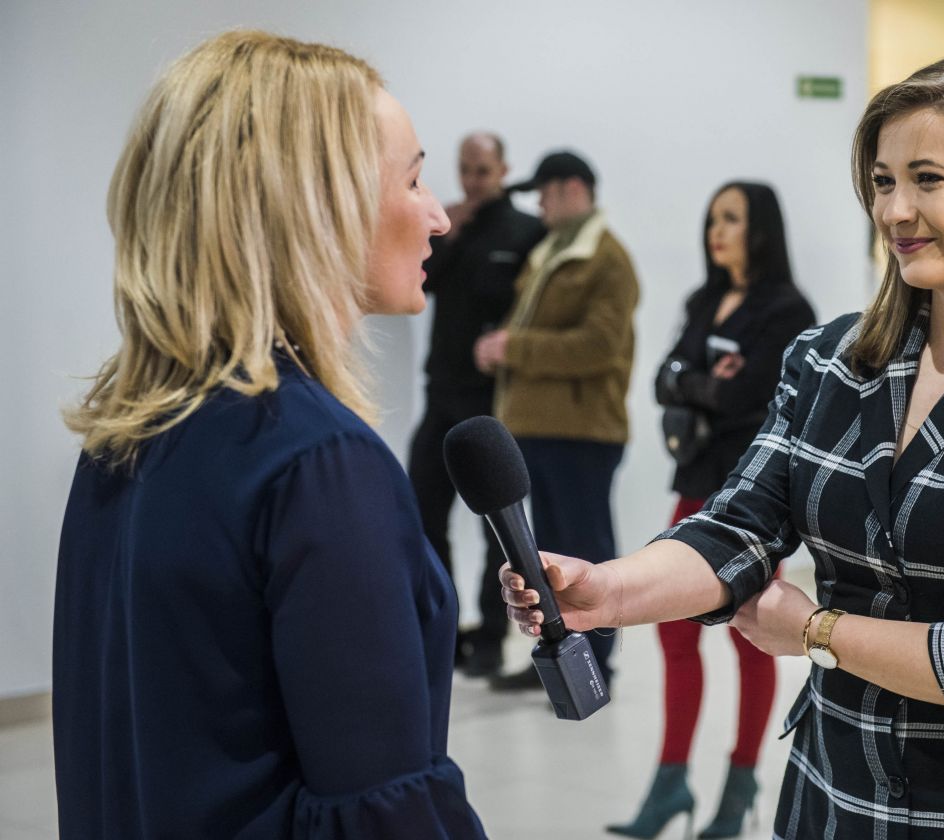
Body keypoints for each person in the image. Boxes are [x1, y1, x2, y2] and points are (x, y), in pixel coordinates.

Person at [503, 49, 944, 838]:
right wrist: (607, 592)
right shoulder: (829, 361)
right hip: (835, 792)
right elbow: (737, 527)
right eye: (882, 181)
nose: (895, 210)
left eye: (927, 179)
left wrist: (820, 634)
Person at [53, 31, 484, 839]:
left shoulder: (128, 431)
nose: (437, 216)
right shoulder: (320, 463)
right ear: (315, 204)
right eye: (413, 179)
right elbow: (381, 814)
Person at [607, 182, 814, 839]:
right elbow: (663, 379)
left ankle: (741, 782)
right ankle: (670, 782)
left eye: (731, 219)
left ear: (761, 230)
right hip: (695, 482)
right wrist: (701, 382)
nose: (715, 231)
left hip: (754, 497)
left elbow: (748, 395)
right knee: (674, 634)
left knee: (751, 635)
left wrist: (696, 383)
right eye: (712, 219)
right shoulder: (703, 300)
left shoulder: (787, 310)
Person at [474, 149, 639, 691]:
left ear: (572, 189)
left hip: (582, 434)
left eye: (545, 193)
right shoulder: (552, 252)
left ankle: (598, 667)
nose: (540, 205)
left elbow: (598, 346)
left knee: (586, 553)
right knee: (548, 561)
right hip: (540, 431)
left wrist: (514, 347)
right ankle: (559, 657)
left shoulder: (607, 259)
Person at [406, 131, 545, 678]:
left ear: (504, 170)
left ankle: (490, 638)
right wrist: (453, 229)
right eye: (466, 170)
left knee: (500, 528)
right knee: (421, 514)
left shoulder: (527, 232)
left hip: (492, 406)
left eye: (483, 171)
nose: (473, 181)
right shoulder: (450, 226)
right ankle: (439, 630)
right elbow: (424, 286)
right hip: (439, 394)